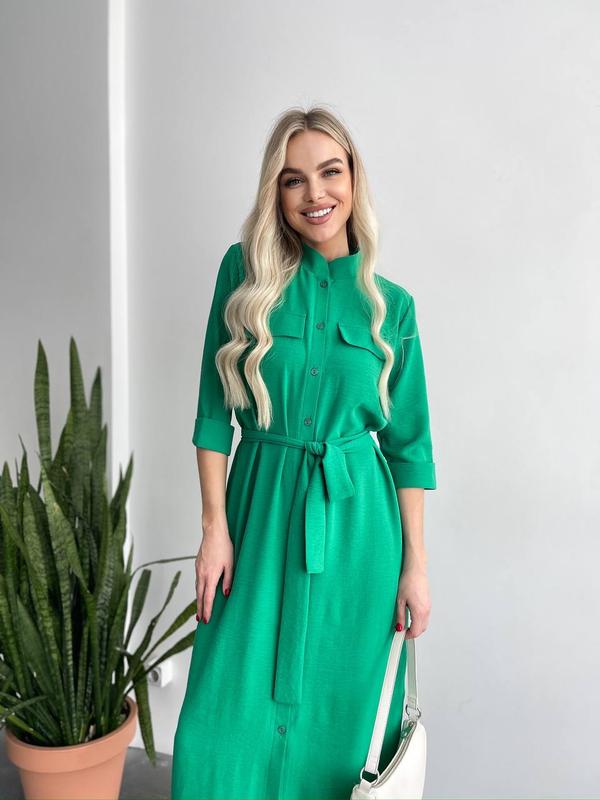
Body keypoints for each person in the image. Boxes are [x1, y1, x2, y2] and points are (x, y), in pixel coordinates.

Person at [171, 105, 437, 800]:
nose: (315, 194)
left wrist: (414, 565)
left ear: (354, 180)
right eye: (294, 179)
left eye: (330, 172)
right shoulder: (243, 274)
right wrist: (213, 529)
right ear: (276, 192)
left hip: (357, 535)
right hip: (256, 516)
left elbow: (410, 448)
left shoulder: (393, 308)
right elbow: (211, 416)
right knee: (215, 724)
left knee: (341, 726)